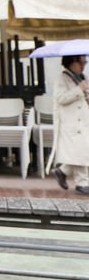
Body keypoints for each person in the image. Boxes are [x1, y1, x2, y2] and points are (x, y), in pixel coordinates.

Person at [51, 54, 89, 195]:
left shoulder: (82, 77)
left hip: (83, 121)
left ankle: (62, 171)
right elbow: (61, 98)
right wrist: (79, 89)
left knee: (83, 152)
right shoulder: (62, 78)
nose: (84, 65)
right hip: (71, 123)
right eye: (82, 62)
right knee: (80, 152)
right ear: (73, 62)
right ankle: (82, 183)